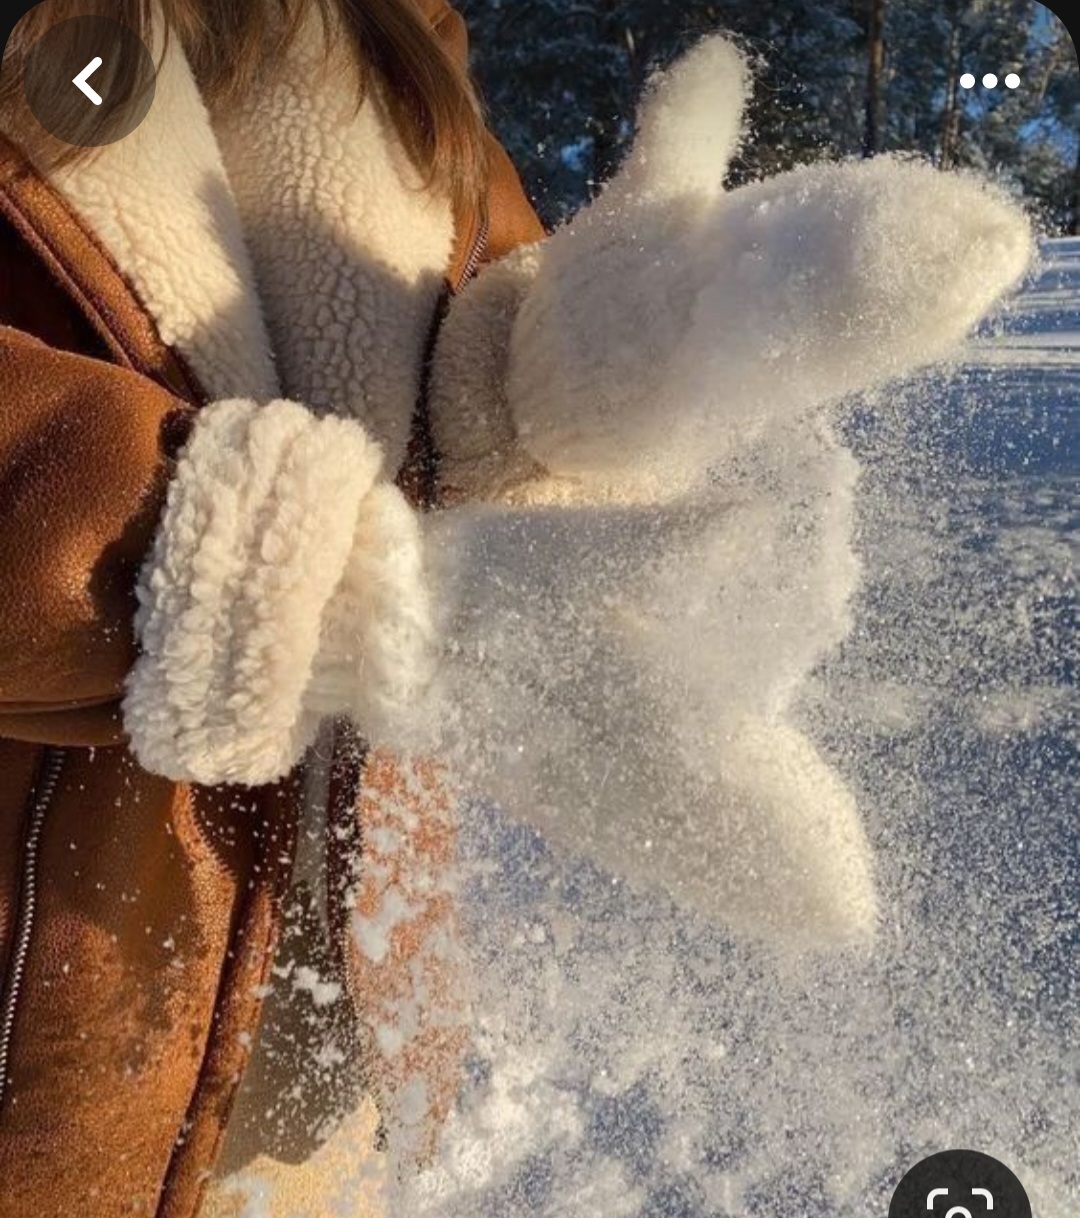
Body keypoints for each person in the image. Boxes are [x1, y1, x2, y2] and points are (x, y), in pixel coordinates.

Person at [0, 1, 1032, 1215]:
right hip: (49, 1061)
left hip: (322, 1039)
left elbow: (428, 354)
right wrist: (290, 588)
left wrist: (553, 374)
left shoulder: (383, 36)